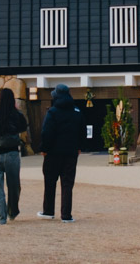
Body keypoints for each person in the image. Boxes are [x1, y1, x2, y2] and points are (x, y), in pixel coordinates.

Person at [37, 83, 86, 223]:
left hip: (53, 153)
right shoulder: (77, 111)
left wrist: (44, 149)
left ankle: (48, 211)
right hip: (71, 153)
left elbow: (46, 133)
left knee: (50, 182)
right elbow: (82, 132)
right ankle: (66, 215)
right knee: (67, 184)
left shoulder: (52, 112)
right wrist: (80, 147)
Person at [0, 88, 29, 224]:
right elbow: (23, 127)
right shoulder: (17, 115)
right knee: (14, 185)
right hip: (12, 153)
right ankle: (12, 211)